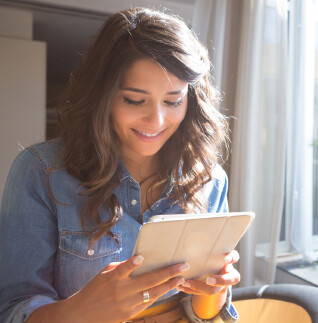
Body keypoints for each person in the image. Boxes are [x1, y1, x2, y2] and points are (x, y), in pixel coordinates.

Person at [0, 7, 239, 323]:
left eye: (173, 101)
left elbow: (200, 314)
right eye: (135, 100)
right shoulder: (41, 173)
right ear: (103, 96)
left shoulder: (209, 180)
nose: (156, 120)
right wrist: (83, 310)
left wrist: (214, 291)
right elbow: (12, 310)